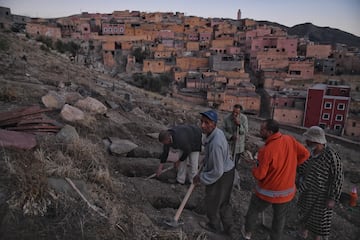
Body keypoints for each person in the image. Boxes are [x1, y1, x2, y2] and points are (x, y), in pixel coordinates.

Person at [242, 119, 310, 240]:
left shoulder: (265, 150)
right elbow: (305, 154)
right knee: (279, 218)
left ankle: (247, 233)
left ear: (269, 132)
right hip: (286, 192)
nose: (260, 131)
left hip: (267, 192)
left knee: (253, 210)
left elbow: (260, 175)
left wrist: (253, 167)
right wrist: (293, 165)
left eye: (262, 129)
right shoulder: (289, 139)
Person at [193, 110, 236, 237]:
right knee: (224, 202)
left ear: (214, 124)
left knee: (212, 200)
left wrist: (201, 178)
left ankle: (214, 226)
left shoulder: (216, 143)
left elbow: (217, 171)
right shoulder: (217, 133)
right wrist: (206, 159)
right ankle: (230, 228)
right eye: (202, 122)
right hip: (229, 171)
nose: (202, 125)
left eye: (207, 123)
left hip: (222, 176)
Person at [297, 126, 344, 240]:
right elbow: (303, 168)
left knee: (319, 224)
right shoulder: (311, 153)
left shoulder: (331, 156)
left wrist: (332, 198)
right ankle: (302, 235)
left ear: (315, 141)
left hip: (322, 197)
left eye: (308, 140)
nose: (306, 142)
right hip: (307, 192)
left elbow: (337, 178)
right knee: (304, 218)